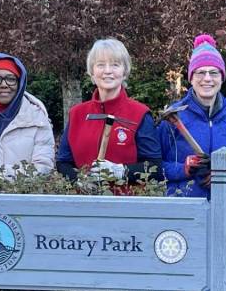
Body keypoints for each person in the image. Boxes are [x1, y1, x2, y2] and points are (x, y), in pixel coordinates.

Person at [56, 38, 163, 185]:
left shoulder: (139, 114)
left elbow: (155, 168)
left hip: (126, 203)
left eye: (115, 65)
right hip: (83, 202)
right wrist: (79, 180)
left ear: (124, 72)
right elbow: (63, 162)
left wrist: (120, 171)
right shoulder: (77, 114)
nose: (107, 71)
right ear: (92, 72)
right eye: (100, 65)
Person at [160, 35, 226, 198]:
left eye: (214, 72)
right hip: (181, 207)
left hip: (222, 206)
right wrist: (183, 169)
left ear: (222, 77)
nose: (207, 79)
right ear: (191, 77)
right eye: (201, 72)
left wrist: (224, 174)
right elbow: (154, 166)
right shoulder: (173, 118)